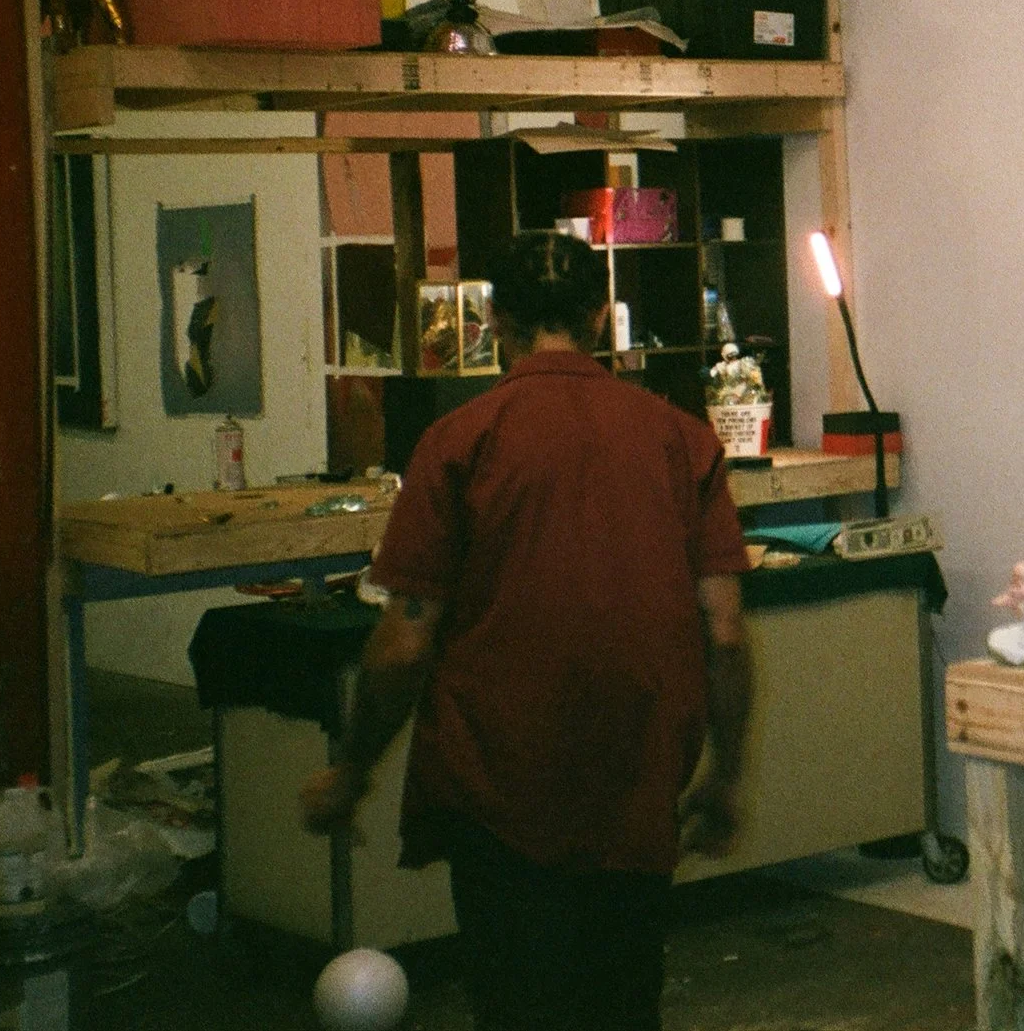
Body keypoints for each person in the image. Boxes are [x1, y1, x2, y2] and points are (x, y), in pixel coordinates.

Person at [300, 231, 753, 1031]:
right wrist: (724, 775)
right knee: (623, 1004)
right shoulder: (681, 439)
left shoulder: (459, 440)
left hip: (499, 786)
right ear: (598, 315)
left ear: (496, 319)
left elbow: (404, 642)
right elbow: (723, 633)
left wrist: (352, 768)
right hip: (637, 772)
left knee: (517, 1005)